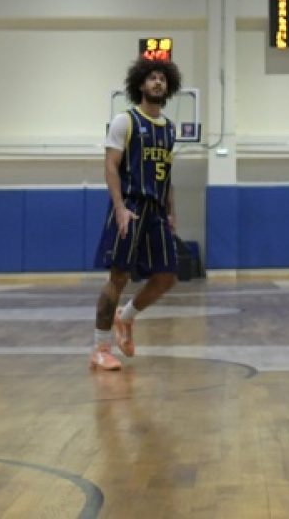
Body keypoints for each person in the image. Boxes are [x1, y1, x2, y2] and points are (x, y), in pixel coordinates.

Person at [90, 57, 184, 372]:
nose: (158, 82)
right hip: (130, 205)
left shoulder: (169, 129)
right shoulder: (125, 121)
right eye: (152, 77)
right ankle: (100, 348)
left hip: (156, 209)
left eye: (162, 78)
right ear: (140, 84)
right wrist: (119, 207)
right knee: (118, 277)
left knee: (167, 276)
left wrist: (171, 212)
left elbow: (167, 175)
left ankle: (126, 317)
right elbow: (110, 166)